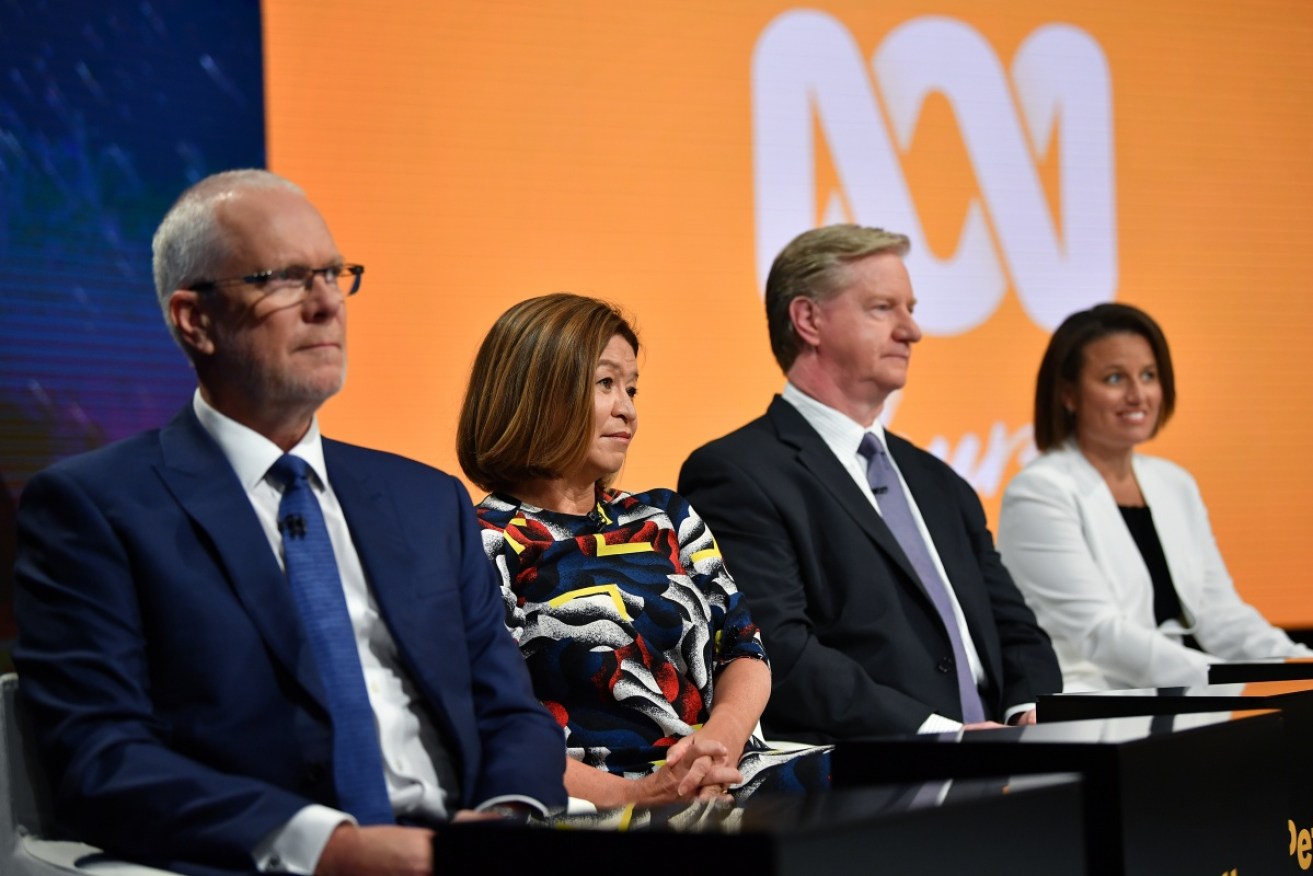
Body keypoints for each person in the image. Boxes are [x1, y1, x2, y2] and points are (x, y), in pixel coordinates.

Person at [12, 169, 566, 876]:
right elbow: (102, 758)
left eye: (335, 274)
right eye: (285, 278)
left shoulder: (426, 501)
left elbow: (509, 711)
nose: (327, 303)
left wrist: (504, 820)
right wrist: (331, 848)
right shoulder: (95, 507)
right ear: (194, 319)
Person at [678, 224, 1061, 741]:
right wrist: (939, 735)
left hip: (1008, 758)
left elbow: (1015, 628)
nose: (913, 331)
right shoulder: (736, 474)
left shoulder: (940, 482)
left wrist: (1026, 711)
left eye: (911, 308)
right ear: (809, 319)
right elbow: (780, 652)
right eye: (884, 308)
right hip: (875, 776)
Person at [457, 293, 829, 809]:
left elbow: (744, 649)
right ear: (536, 391)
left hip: (726, 772)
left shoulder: (665, 517)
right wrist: (636, 795)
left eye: (631, 388)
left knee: (895, 785)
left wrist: (717, 745)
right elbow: (490, 722)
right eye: (605, 384)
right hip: (593, 800)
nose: (627, 408)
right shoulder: (480, 540)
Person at [997, 302, 1312, 691]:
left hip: (1180, 696)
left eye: (1149, 375)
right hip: (1092, 704)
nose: (1138, 394)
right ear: (1068, 394)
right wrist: (1227, 680)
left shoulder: (1174, 483)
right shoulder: (1040, 492)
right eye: (1114, 379)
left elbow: (1221, 613)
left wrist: (1298, 663)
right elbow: (1099, 634)